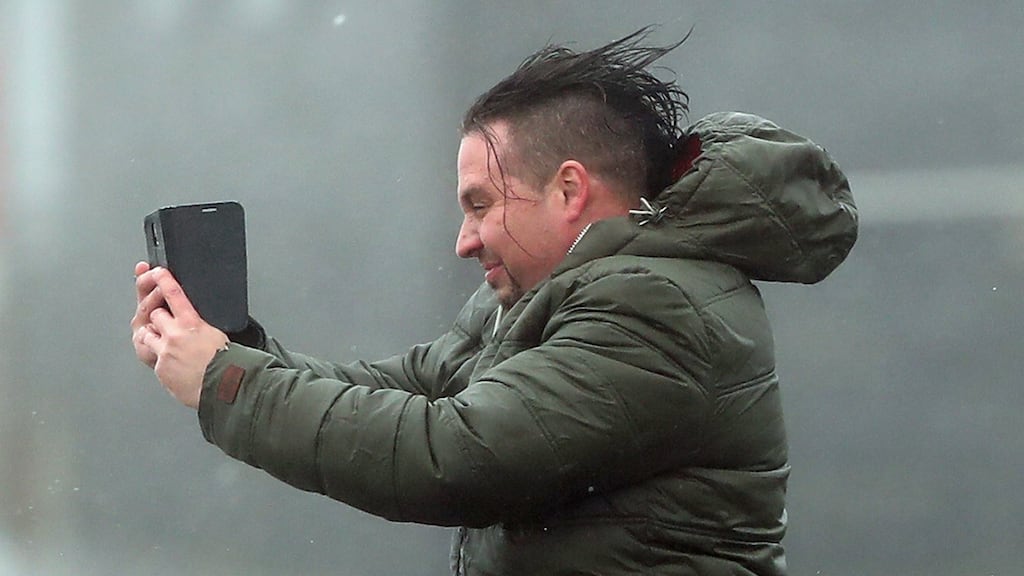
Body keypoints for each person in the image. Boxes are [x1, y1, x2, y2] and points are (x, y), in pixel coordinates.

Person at [131, 28, 857, 576]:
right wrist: (228, 353)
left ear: (569, 191)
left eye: (480, 205)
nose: (465, 241)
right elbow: (405, 388)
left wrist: (228, 384)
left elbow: (451, 455)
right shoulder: (550, 293)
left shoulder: (654, 309)